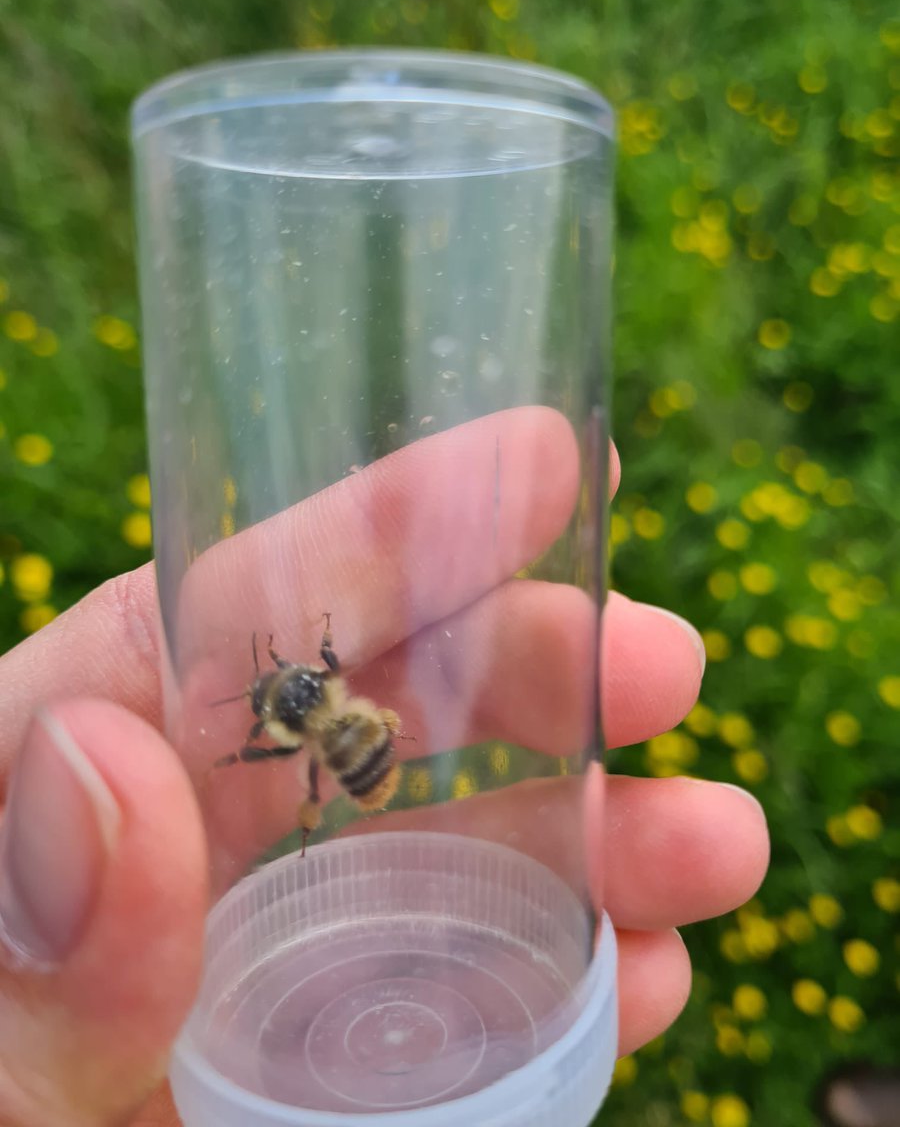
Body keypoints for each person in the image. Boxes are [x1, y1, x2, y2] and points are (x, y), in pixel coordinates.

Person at [0, 437, 769, 1126]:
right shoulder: (321, 696)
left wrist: (244, 748)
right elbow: (322, 675)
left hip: (353, 753)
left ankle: (328, 800)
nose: (284, 678)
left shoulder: (292, 723)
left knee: (327, 755)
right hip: (360, 743)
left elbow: (292, 712)